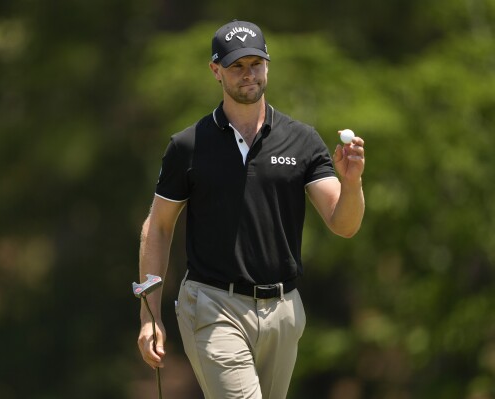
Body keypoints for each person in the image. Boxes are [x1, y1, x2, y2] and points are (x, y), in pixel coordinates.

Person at [137, 20, 365, 399]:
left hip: (283, 310)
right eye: (236, 66)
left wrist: (353, 182)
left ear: (267, 65)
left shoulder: (303, 140)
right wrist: (149, 316)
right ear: (216, 70)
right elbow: (157, 228)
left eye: (255, 64)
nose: (248, 75)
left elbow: (343, 224)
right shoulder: (189, 145)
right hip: (212, 305)